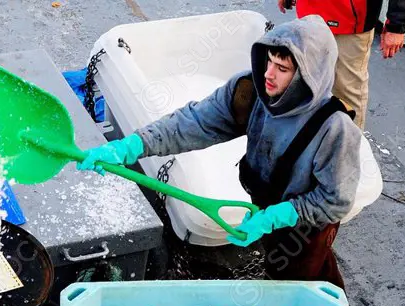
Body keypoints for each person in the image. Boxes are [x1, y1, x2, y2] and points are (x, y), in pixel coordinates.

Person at [78, 15, 361, 289]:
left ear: (307, 77)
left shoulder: (334, 128)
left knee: (298, 277)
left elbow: (336, 200)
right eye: (269, 62)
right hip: (263, 201)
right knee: (274, 261)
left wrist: (280, 216)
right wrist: (134, 145)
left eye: (282, 70)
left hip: (306, 226)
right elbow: (194, 122)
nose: (269, 75)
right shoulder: (251, 91)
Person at [281, 0, 405, 129]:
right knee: (308, 84)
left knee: (347, 92)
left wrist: (397, 26)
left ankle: (351, 147)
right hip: (308, 16)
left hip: (351, 20)